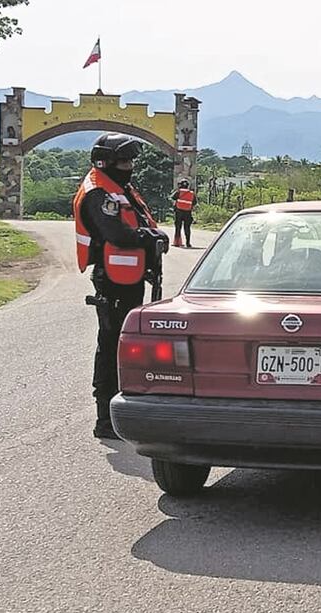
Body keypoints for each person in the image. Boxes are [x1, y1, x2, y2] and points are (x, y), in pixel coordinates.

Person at [74, 133, 170, 440]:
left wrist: (152, 236)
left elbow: (138, 222)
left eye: (131, 161)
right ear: (107, 162)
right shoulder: (97, 193)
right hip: (112, 282)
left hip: (129, 279)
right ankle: (105, 419)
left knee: (128, 344)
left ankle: (127, 409)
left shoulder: (119, 188)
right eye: (124, 161)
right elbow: (116, 233)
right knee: (112, 344)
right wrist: (147, 238)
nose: (129, 167)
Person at [170, 179, 196, 248]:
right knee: (187, 228)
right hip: (188, 213)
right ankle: (188, 243)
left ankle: (177, 243)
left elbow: (172, 197)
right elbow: (194, 202)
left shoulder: (179, 192)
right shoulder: (192, 193)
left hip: (179, 212)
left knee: (178, 227)